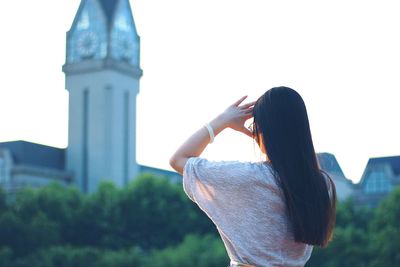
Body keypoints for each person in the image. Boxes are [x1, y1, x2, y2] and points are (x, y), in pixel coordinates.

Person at [169, 86, 337, 267]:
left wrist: (222, 120)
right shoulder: (321, 184)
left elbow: (178, 159)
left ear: (263, 129)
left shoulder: (249, 178)